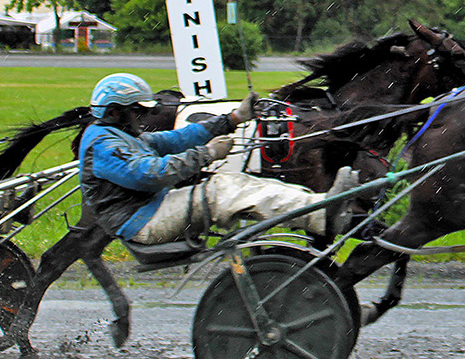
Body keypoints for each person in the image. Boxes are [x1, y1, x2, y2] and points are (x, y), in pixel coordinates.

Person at [80, 73, 356, 245]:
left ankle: (321, 206)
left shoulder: (123, 134)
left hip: (151, 209)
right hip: (141, 221)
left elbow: (176, 140)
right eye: (137, 111)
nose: (142, 116)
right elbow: (150, 175)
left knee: (237, 182)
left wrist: (233, 119)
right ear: (115, 112)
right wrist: (208, 153)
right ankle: (320, 215)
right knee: (221, 190)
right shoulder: (103, 145)